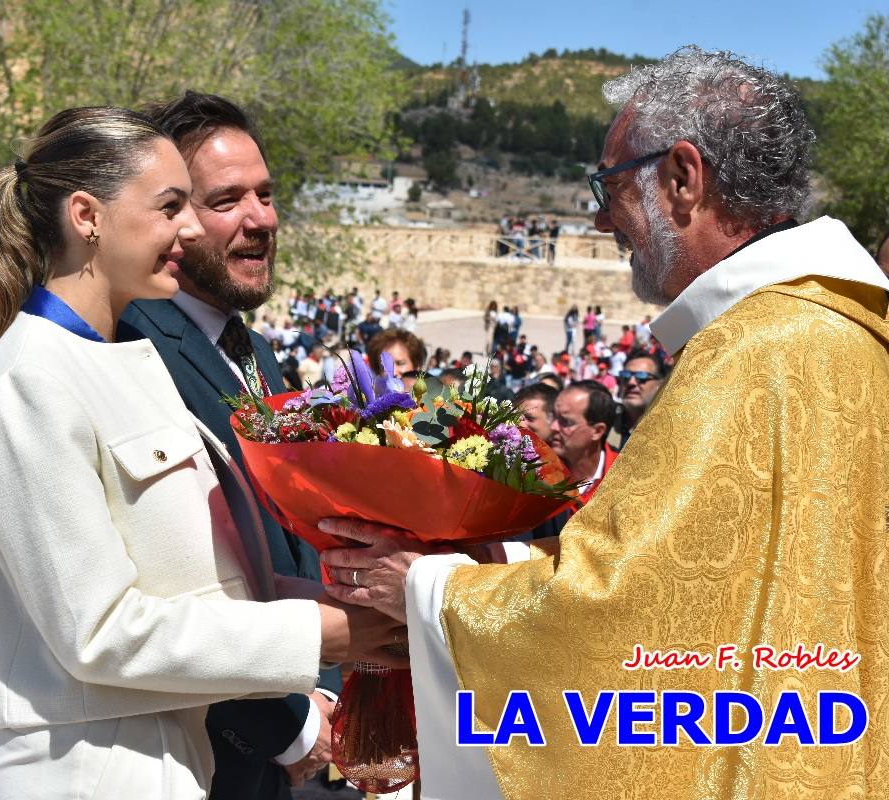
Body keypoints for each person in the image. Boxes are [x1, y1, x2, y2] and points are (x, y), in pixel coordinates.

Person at [317, 47, 889, 798]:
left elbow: (615, 611)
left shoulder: (755, 350)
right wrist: (498, 560)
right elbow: (701, 584)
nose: (598, 217)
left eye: (610, 186)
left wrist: (426, 589)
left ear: (682, 178)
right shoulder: (830, 329)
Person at [0, 105, 398, 800]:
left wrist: (380, 601)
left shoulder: (118, 363)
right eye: (170, 207)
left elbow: (203, 583)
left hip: (169, 759)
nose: (189, 229)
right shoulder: (31, 377)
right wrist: (319, 633)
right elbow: (98, 632)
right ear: (87, 217)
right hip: (86, 770)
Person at [123, 92, 345, 798]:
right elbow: (169, 583)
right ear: (171, 217)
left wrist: (324, 689)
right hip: (199, 755)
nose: (262, 219)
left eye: (266, 195)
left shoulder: (255, 353)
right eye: (228, 200)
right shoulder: (133, 348)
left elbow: (294, 541)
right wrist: (287, 728)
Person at [615, 353, 665, 448]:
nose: (631, 382)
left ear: (660, 385)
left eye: (642, 377)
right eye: (625, 376)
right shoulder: (606, 423)